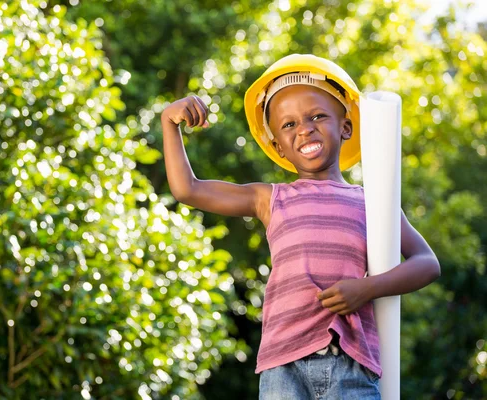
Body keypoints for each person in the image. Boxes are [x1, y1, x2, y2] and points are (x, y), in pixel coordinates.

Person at [160, 54, 440, 399]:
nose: (304, 128)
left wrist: (367, 289)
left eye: (317, 116)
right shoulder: (270, 199)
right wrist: (169, 124)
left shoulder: (373, 202)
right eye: (288, 125)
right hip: (283, 365)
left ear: (346, 127)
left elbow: (427, 263)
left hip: (349, 362)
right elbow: (188, 189)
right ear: (278, 145)